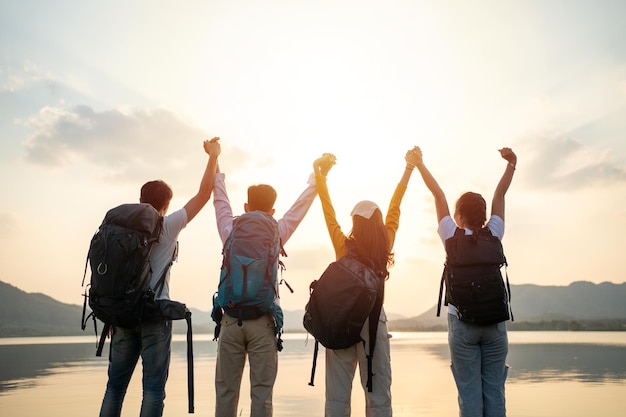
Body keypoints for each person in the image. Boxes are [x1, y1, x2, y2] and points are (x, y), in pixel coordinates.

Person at [99, 137, 221, 417]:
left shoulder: (119, 227)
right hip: (154, 315)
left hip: (121, 314)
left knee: (114, 387)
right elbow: (203, 194)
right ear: (166, 204)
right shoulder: (167, 225)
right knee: (153, 388)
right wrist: (213, 156)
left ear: (141, 200)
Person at [212, 157, 327, 417]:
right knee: (262, 396)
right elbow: (300, 208)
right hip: (264, 322)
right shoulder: (277, 230)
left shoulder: (230, 229)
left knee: (226, 394)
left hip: (230, 320)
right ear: (273, 211)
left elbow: (220, 201)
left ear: (245, 206)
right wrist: (315, 179)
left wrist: (216, 160)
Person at [411, 146, 517, 417]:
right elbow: (500, 194)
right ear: (483, 217)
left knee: (469, 394)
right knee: (494, 391)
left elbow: (438, 194)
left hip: (462, 325)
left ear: (458, 216)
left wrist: (420, 164)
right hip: (495, 325)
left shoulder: (450, 236)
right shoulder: (494, 233)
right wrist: (511, 164)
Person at [313, 150, 419, 417]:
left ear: (355, 223)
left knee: (337, 399)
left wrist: (320, 176)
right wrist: (408, 169)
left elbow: (329, 213)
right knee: (378, 395)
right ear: (379, 222)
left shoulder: (342, 246)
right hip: (374, 323)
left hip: (341, 320)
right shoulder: (385, 244)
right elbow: (396, 207)